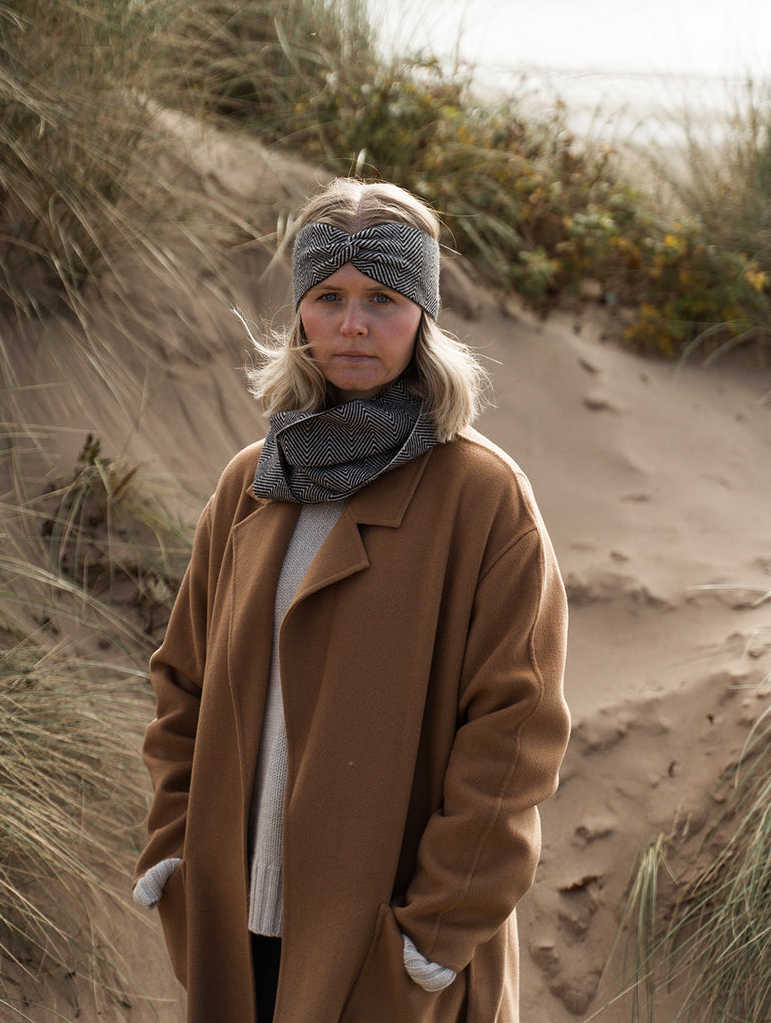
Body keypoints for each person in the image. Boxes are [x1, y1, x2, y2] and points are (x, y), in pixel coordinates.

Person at [132, 177, 570, 1023]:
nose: (353, 324)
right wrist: (174, 852)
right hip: (238, 933)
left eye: (383, 298)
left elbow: (515, 735)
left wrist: (434, 936)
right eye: (328, 297)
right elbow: (180, 682)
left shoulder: (484, 496)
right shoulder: (249, 484)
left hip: (392, 954)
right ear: (300, 313)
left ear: (424, 316)